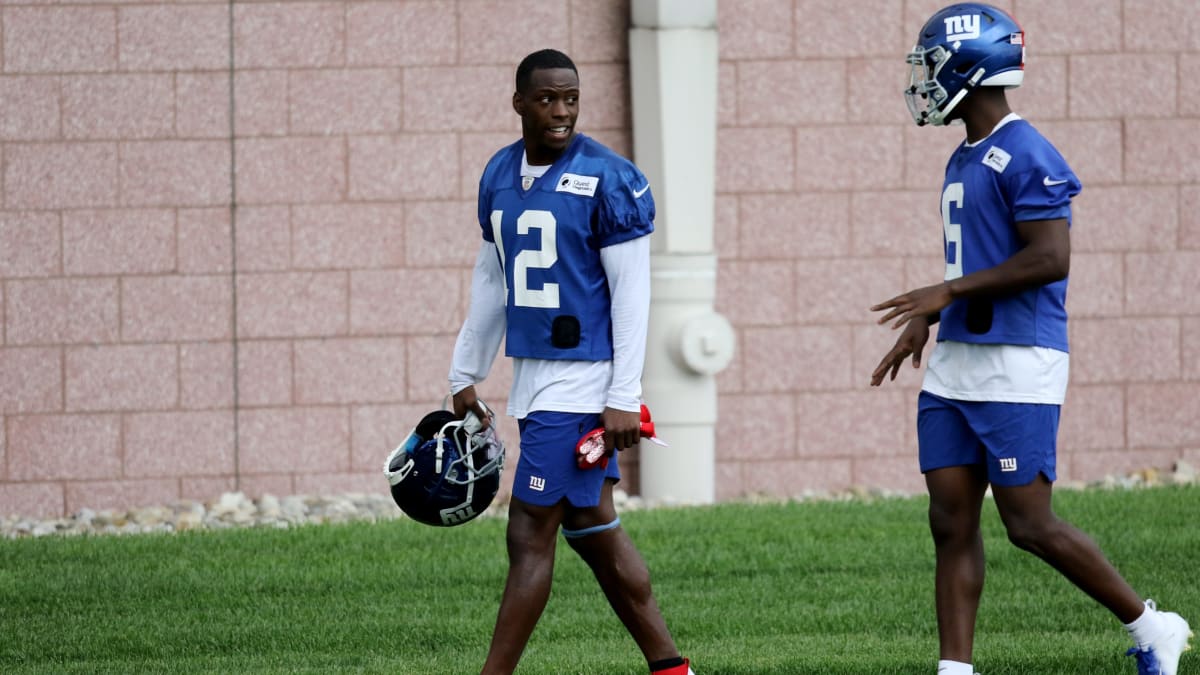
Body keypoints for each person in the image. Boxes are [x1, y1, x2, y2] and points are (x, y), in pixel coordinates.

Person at [869, 4, 1192, 675]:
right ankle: (955, 669)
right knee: (949, 520)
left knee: (1028, 524)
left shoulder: (1028, 150)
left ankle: (1152, 624)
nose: (924, 78)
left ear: (969, 65)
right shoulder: (963, 155)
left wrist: (946, 293)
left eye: (932, 64)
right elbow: (978, 258)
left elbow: (1051, 257)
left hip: (1018, 360)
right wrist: (928, 317)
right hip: (956, 362)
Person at [446, 48, 694, 675]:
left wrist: (623, 393)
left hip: (583, 382)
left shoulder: (611, 179)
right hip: (534, 380)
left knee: (529, 534)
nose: (561, 111)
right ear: (520, 102)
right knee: (593, 529)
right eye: (548, 99)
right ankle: (671, 668)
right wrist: (464, 371)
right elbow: (490, 279)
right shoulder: (500, 173)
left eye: (571, 98)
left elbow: (634, 295)